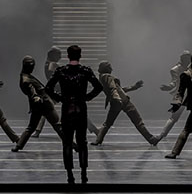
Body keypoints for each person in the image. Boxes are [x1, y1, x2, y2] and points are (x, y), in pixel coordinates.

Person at [46, 44, 104, 184]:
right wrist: (87, 97)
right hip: (80, 108)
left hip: (67, 109)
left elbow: (48, 87)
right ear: (80, 56)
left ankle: (70, 175)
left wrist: (60, 98)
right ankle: (83, 174)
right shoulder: (85, 71)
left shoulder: (61, 71)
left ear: (67, 56)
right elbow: (99, 87)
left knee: (67, 143)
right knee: (82, 141)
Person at [92, 61, 159, 146]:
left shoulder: (102, 78)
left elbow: (119, 89)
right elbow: (113, 89)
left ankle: (98, 140)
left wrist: (133, 87)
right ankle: (151, 139)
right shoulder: (107, 76)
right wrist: (117, 98)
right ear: (106, 68)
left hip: (116, 102)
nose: (111, 69)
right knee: (138, 121)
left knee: (108, 123)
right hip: (122, 101)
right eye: (109, 67)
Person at [12, 55, 66, 151]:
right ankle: (72, 145)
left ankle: (19, 146)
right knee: (57, 126)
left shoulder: (25, 77)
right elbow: (32, 91)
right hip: (44, 104)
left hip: (38, 105)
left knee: (31, 127)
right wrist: (36, 96)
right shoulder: (26, 80)